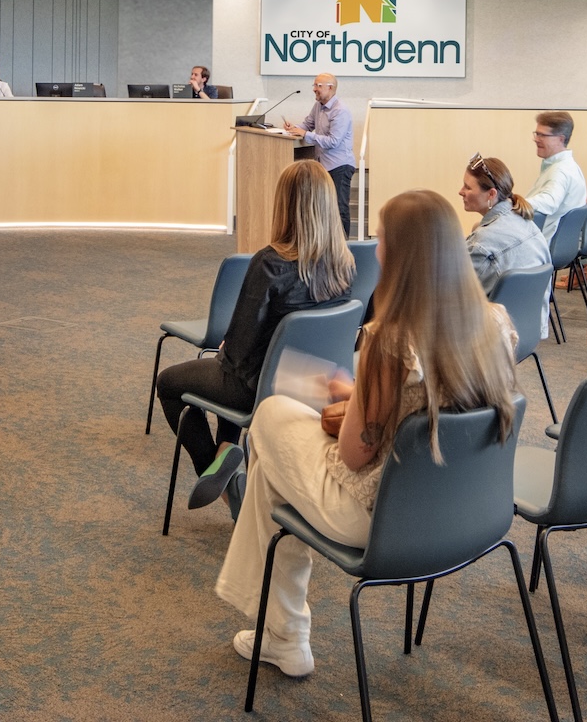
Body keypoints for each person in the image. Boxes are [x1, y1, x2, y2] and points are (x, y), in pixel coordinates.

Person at [215, 189, 519, 680]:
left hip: (383, 517)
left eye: (381, 237)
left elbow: (356, 456)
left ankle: (285, 635)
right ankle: (279, 634)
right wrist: (363, 396)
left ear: (402, 253)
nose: (376, 247)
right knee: (272, 474)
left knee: (271, 416)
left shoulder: (391, 340)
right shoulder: (496, 324)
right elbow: (432, 404)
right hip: (463, 508)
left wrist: (349, 406)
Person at [157, 159, 356, 508]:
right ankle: (227, 450)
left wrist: (226, 346)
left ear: (285, 205)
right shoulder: (344, 263)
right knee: (230, 369)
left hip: (259, 388)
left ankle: (217, 474)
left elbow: (237, 351)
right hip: (315, 385)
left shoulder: (270, 263)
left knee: (172, 382)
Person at [461, 155, 551, 337]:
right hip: (530, 330)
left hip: (493, 341)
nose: (461, 191)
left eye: (467, 187)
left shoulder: (482, 245)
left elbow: (451, 293)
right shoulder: (526, 222)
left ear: (491, 194)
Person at [283, 73, 356, 231]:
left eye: (318, 86)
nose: (314, 89)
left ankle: (343, 250)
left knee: (339, 209)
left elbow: (333, 141)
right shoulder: (318, 106)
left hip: (339, 166)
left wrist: (305, 134)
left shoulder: (340, 111)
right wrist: (294, 128)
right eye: (314, 85)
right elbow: (307, 124)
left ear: (330, 88)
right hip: (323, 166)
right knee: (323, 210)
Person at [526, 112, 587, 237]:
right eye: (537, 134)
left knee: (482, 229)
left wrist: (514, 203)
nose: (536, 139)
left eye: (542, 135)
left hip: (545, 241)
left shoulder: (560, 171)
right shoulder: (569, 166)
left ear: (561, 139)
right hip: (563, 241)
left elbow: (549, 201)